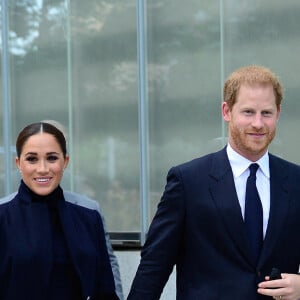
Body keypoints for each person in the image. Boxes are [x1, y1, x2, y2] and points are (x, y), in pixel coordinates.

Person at [127, 65, 300, 300]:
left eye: (266, 113)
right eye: (248, 112)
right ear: (226, 111)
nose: (258, 124)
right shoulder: (188, 181)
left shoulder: (296, 181)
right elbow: (155, 264)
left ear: (278, 113)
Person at [0, 119, 124, 300]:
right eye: (32, 159)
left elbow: (104, 284)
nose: (42, 169)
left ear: (65, 161)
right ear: (18, 163)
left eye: (51, 158)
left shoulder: (89, 215)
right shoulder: (3, 216)